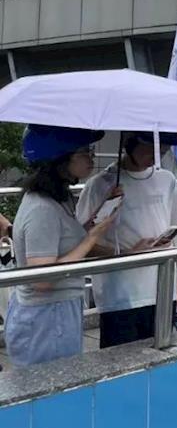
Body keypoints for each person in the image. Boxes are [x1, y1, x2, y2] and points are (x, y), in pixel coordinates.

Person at [6, 126, 118, 366]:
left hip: (56, 312)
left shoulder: (59, 197)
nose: (91, 158)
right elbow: (42, 279)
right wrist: (91, 238)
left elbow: (67, 240)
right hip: (45, 319)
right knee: (50, 385)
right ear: (59, 158)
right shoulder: (41, 208)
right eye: (84, 152)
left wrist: (98, 217)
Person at [76, 132, 177, 348]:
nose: (155, 156)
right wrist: (127, 254)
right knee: (119, 360)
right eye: (150, 149)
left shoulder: (167, 180)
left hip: (162, 290)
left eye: (162, 151)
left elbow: (173, 237)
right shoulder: (101, 184)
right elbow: (81, 244)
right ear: (130, 144)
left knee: (165, 356)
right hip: (120, 297)